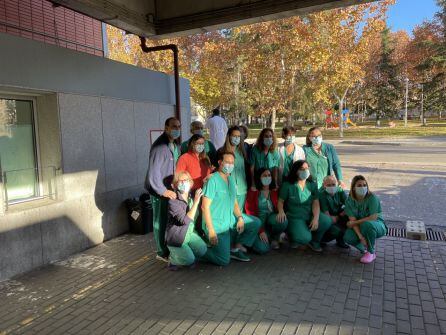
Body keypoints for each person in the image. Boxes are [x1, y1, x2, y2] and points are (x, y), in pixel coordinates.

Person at [201, 151, 261, 266]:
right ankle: (198, 250)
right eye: (227, 162)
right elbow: (205, 207)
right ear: (220, 162)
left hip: (230, 220)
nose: (230, 165)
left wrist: (240, 218)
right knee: (223, 260)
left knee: (255, 222)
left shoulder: (231, 181)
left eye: (232, 163)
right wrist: (211, 230)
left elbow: (234, 204)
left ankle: (235, 248)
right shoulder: (213, 180)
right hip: (217, 225)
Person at [145, 117, 181, 262]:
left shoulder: (174, 145)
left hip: (170, 191)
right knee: (160, 221)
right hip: (160, 192)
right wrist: (162, 191)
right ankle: (161, 252)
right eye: (173, 126)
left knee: (168, 220)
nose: (177, 129)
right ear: (166, 128)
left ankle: (168, 247)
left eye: (178, 126)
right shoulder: (159, 147)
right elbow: (153, 173)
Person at [276, 160, 332, 252]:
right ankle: (291, 236)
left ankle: (314, 242)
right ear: (295, 171)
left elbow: (316, 202)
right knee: (304, 238)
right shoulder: (288, 185)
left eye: (307, 168)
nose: (305, 171)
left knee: (326, 221)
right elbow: (280, 201)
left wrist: (316, 218)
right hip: (295, 217)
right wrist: (281, 211)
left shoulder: (312, 184)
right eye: (302, 169)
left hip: (309, 214)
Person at [165, 171, 207, 270]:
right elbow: (185, 221)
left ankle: (185, 253)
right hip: (177, 237)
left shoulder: (191, 196)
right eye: (181, 181)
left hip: (188, 233)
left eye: (187, 180)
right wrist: (196, 202)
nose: (184, 183)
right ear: (175, 185)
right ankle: (173, 259)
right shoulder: (173, 201)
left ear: (191, 182)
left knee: (202, 249)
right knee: (189, 261)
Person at [343, 175, 387, 264]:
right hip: (361, 226)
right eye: (359, 185)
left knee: (367, 224)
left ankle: (371, 252)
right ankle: (363, 248)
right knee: (347, 237)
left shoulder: (372, 198)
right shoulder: (349, 201)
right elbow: (352, 221)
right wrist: (360, 236)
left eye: (364, 185)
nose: (363, 187)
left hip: (377, 225)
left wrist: (355, 222)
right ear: (353, 188)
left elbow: (373, 218)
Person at [245, 168, 287, 252]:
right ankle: (271, 239)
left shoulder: (274, 191)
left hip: (271, 221)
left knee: (283, 220)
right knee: (262, 249)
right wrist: (260, 231)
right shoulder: (253, 192)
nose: (267, 177)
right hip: (258, 224)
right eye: (264, 175)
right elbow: (250, 213)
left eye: (269, 175)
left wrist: (281, 212)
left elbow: (280, 204)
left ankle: (275, 236)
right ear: (259, 178)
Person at [221, 126, 249, 211]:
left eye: (238, 136)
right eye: (234, 136)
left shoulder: (242, 152)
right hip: (227, 189)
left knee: (239, 214)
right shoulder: (222, 152)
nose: (236, 138)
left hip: (241, 189)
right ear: (229, 136)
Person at [319, 175, 349, 248]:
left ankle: (340, 240)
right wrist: (339, 216)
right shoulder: (322, 195)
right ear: (324, 185)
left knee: (349, 216)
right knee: (336, 230)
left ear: (337, 184)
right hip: (326, 220)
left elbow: (349, 205)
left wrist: (340, 215)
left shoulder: (340, 190)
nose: (331, 187)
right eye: (328, 185)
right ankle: (322, 239)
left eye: (333, 184)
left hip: (336, 216)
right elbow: (328, 217)